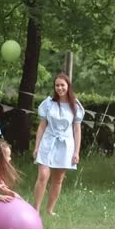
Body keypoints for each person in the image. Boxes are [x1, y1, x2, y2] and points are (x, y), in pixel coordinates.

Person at [33, 73, 84, 216]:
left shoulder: (75, 106)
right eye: (57, 85)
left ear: (68, 86)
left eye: (62, 85)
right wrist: (37, 146)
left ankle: (49, 209)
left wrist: (76, 152)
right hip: (48, 141)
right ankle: (35, 209)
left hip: (66, 144)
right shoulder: (48, 104)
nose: (60, 88)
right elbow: (42, 126)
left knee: (58, 179)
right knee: (43, 175)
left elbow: (77, 130)